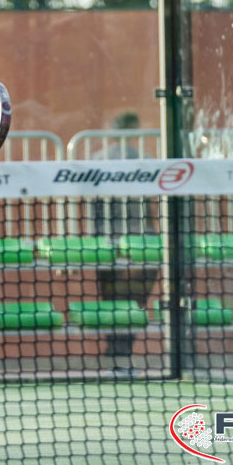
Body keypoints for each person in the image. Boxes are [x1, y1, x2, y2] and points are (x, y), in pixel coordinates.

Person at [91, 112, 158, 378]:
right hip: (119, 242)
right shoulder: (100, 161)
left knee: (120, 303)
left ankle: (119, 358)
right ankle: (119, 358)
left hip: (124, 242)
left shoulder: (144, 160)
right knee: (128, 303)